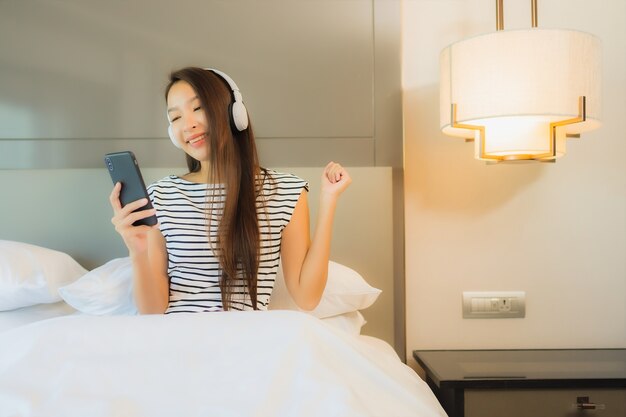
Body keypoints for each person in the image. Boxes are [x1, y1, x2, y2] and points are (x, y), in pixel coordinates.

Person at [109, 67, 351, 314]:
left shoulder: (286, 192)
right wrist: (137, 252)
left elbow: (306, 297)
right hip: (178, 342)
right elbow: (153, 312)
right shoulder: (160, 196)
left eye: (198, 108)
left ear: (235, 114)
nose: (188, 125)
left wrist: (328, 201)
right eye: (176, 118)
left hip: (247, 344)